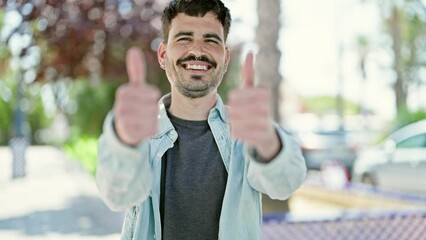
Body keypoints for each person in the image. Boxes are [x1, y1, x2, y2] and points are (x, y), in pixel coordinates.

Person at [96, 0, 307, 239]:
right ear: (163, 54)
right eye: (184, 38)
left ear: (226, 58)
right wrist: (125, 144)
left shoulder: (248, 131)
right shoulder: (140, 131)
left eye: (211, 40)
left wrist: (269, 144)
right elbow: (117, 196)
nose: (197, 50)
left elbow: (285, 184)